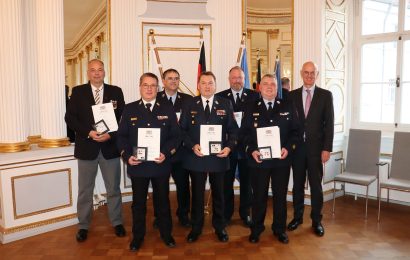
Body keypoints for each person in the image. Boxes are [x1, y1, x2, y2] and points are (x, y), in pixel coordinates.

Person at [117, 72, 181, 251]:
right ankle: (137, 237)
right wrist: (127, 155)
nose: (149, 88)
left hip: (160, 165)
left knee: (163, 202)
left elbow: (176, 137)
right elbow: (121, 137)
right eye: (146, 85)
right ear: (140, 87)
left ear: (158, 88)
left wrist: (166, 153)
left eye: (153, 85)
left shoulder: (167, 109)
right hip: (138, 166)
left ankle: (166, 234)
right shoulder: (129, 109)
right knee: (138, 204)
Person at [65, 59, 126, 242]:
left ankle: (117, 222)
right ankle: (83, 225)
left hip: (109, 147)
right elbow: (70, 118)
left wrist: (111, 135)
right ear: (88, 73)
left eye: (100, 69)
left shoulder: (116, 91)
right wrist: (88, 133)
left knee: (113, 188)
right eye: (93, 70)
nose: (97, 73)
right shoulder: (78, 92)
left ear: (104, 71)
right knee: (85, 190)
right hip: (87, 148)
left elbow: (122, 118)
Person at [179, 71, 238, 243]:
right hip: (196, 157)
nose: (207, 86)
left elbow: (233, 131)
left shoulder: (225, 104)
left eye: (210, 83)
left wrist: (229, 147)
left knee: (219, 194)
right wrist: (192, 146)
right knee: (197, 195)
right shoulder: (189, 104)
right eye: (203, 83)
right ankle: (196, 228)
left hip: (219, 158)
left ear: (215, 85)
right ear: (198, 86)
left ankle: (219, 227)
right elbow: (181, 131)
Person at [241, 74, 298, 244]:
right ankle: (256, 229)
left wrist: (287, 148)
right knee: (259, 196)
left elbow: (296, 132)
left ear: (277, 87)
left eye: (273, 84)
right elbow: (244, 134)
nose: (269, 87)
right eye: (265, 84)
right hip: (259, 161)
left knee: (280, 196)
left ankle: (279, 229)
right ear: (259, 87)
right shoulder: (251, 106)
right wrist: (251, 150)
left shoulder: (287, 105)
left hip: (281, 161)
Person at [287, 61, 334, 237]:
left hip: (316, 151)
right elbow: (288, 124)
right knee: (297, 185)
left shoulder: (325, 95)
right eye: (306, 72)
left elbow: (329, 125)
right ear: (301, 73)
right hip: (296, 150)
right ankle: (297, 218)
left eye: (312, 72)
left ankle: (316, 221)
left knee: (316, 187)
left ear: (317, 74)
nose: (309, 75)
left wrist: (327, 148)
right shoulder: (291, 96)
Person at [216, 66, 259, 227]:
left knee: (247, 183)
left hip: (248, 148)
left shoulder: (255, 96)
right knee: (226, 183)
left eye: (240, 78)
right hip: (228, 148)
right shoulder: (220, 97)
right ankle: (226, 214)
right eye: (234, 78)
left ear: (244, 79)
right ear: (229, 79)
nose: (237, 81)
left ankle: (245, 214)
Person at [156, 68, 193, 228]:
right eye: (169, 78)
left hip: (181, 151)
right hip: (161, 151)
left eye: (176, 78)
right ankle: (160, 216)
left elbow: (192, 125)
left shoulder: (188, 100)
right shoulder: (154, 98)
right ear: (163, 81)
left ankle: (183, 214)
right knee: (160, 187)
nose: (173, 81)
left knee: (183, 186)